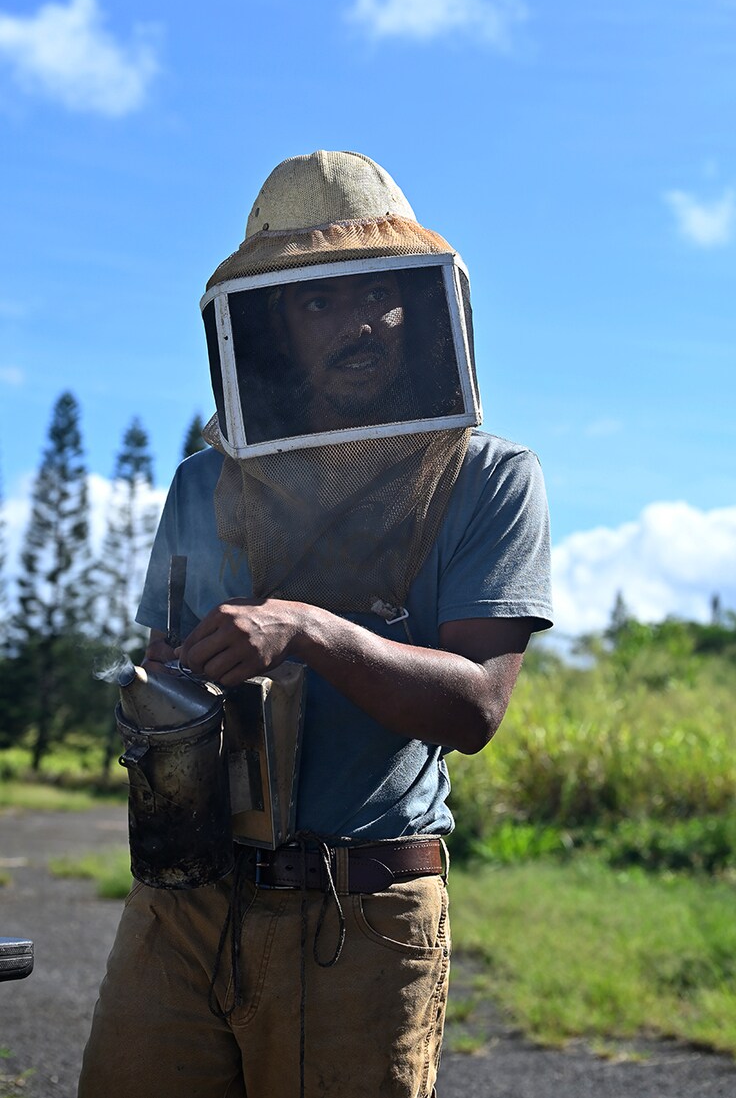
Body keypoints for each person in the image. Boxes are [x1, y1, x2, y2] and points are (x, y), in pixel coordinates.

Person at [78, 150, 553, 1098]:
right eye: (317, 302)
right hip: (184, 904)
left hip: (358, 913)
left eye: (378, 291)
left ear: (421, 307)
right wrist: (170, 678)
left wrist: (306, 626)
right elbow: (156, 673)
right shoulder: (203, 483)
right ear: (269, 328)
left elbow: (474, 710)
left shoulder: (490, 478)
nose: (357, 321)